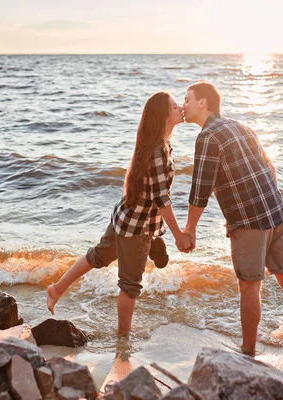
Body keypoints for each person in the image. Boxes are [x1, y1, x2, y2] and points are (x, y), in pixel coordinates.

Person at [179, 82, 283, 358]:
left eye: (187, 99)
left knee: (250, 288)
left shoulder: (207, 137)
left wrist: (189, 229)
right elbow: (270, 168)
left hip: (248, 222)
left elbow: (200, 189)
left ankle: (248, 353)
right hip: (277, 214)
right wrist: (272, 204)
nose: (183, 106)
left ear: (203, 103)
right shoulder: (242, 126)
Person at [46, 92, 191, 335]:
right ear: (163, 115)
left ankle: (57, 289)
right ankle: (123, 340)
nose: (180, 109)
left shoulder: (154, 144)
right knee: (130, 286)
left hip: (124, 217)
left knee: (98, 256)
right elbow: (161, 198)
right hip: (135, 228)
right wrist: (179, 234)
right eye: (175, 106)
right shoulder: (159, 149)